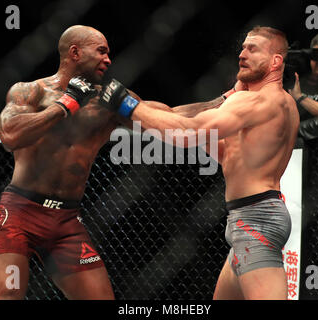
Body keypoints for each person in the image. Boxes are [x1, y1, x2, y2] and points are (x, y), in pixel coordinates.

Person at [0, 25, 227, 300]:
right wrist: (64, 105)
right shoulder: (31, 91)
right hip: (20, 214)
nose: (108, 59)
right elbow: (10, 135)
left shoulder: (108, 101)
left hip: (65, 222)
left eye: (109, 53)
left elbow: (169, 115)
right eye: (101, 51)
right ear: (75, 52)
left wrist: (222, 100)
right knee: (7, 294)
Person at [99, 26, 300, 300]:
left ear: (276, 61)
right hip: (246, 219)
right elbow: (210, 142)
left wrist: (126, 105)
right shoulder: (275, 105)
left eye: (253, 49)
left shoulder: (260, 101)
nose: (242, 54)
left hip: (255, 221)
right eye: (242, 48)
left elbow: (188, 132)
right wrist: (137, 111)